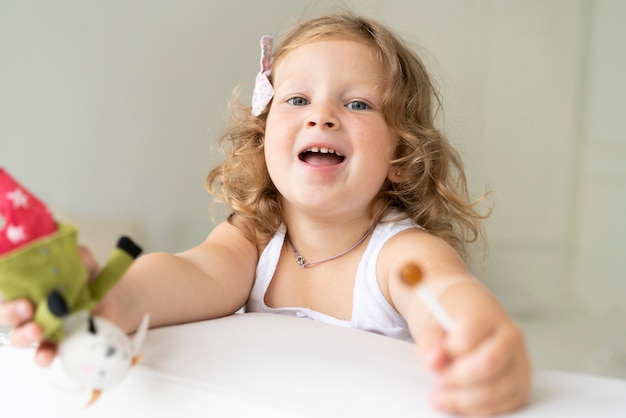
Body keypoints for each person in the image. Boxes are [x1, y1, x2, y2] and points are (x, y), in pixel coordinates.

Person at [0, 13, 530, 416]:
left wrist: (478, 338)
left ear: (400, 156)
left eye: (358, 104)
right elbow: (193, 273)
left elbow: (444, 296)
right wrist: (113, 300)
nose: (321, 116)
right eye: (297, 99)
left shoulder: (400, 254)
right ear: (264, 136)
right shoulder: (256, 238)